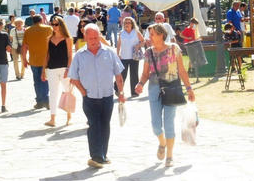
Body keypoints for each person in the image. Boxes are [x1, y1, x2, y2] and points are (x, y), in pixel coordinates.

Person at [135, 23, 195, 168]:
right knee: (156, 125)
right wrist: (140, 84)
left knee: (169, 123)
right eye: (149, 34)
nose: (150, 37)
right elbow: (145, 74)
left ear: (161, 35)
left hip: (172, 87)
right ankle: (162, 143)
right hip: (155, 88)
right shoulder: (149, 52)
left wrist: (189, 88)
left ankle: (169, 156)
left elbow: (182, 70)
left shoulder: (174, 49)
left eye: (153, 34)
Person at [69, 23, 126, 169]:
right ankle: (95, 156)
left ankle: (103, 155)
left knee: (105, 126)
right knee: (94, 125)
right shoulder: (80, 56)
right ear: (85, 38)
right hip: (89, 98)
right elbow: (74, 78)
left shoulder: (109, 52)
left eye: (96, 37)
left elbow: (118, 74)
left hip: (107, 97)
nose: (94, 41)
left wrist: (121, 92)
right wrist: (83, 92)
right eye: (91, 38)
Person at [42, 16, 73, 127]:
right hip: (52, 69)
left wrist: (69, 69)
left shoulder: (67, 39)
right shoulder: (49, 39)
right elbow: (47, 55)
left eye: (56, 24)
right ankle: (52, 118)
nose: (54, 27)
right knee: (53, 93)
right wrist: (43, 70)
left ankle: (69, 115)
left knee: (68, 91)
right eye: (52, 24)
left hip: (64, 68)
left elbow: (70, 55)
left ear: (61, 25)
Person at [21, 15, 53, 109]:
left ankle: (39, 101)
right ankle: (47, 101)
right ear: (42, 20)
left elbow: (24, 46)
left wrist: (24, 59)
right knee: (45, 80)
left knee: (37, 81)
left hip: (33, 60)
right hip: (47, 60)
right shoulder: (48, 28)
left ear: (33, 21)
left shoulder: (28, 30)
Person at [115, 17, 144, 98]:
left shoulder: (136, 32)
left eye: (129, 22)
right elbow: (118, 44)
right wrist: (117, 54)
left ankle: (135, 92)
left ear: (132, 24)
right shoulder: (121, 33)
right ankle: (117, 89)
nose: (127, 24)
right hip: (123, 57)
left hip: (134, 57)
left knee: (134, 75)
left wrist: (138, 45)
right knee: (122, 74)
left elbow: (143, 41)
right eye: (125, 23)